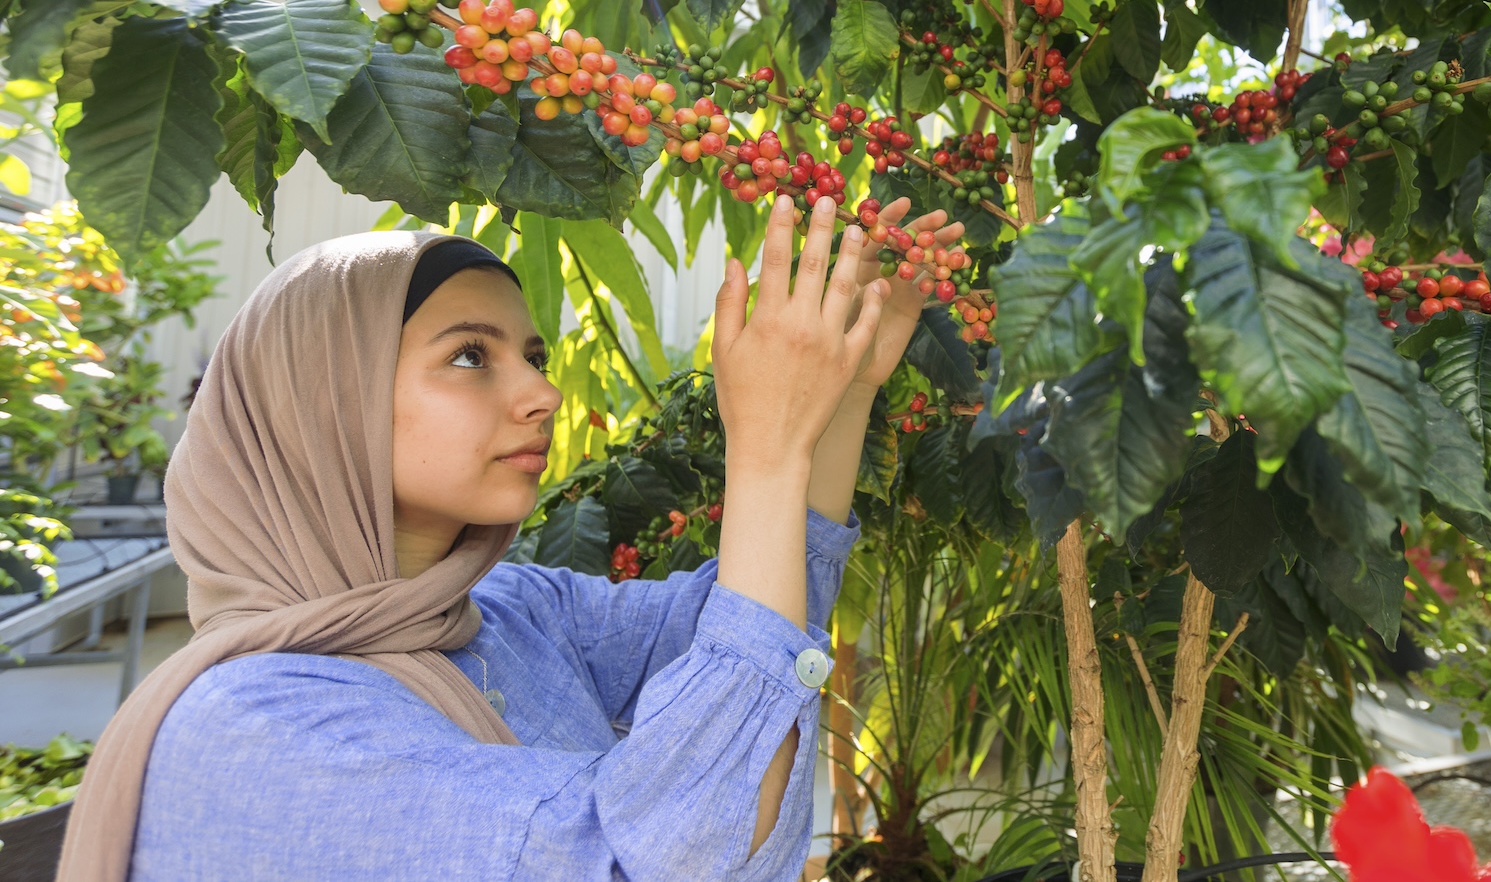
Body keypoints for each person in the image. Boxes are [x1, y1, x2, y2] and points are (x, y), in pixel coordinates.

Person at [57, 193, 958, 882]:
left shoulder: (501, 613)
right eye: (468, 355)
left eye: (530, 355)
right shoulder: (262, 729)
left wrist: (840, 403)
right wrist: (764, 450)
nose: (543, 394)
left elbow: (746, 632)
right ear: (322, 407)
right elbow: (647, 859)